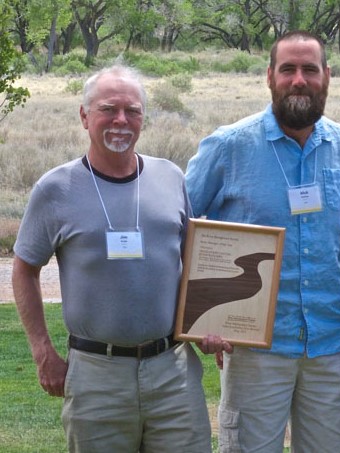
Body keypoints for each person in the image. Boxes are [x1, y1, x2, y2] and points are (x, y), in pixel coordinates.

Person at [11, 65, 226, 452]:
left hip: (172, 373)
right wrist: (42, 351)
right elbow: (24, 270)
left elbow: (196, 263)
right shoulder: (55, 189)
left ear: (144, 117)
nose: (121, 121)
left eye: (133, 111)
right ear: (84, 116)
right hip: (97, 376)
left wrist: (210, 323)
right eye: (108, 109)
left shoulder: (170, 177)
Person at [185, 31, 340, 452]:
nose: (299, 80)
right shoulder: (228, 146)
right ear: (269, 76)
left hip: (330, 344)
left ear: (327, 77)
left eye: (309, 70)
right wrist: (205, 316)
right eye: (288, 69)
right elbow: (178, 229)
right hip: (255, 347)